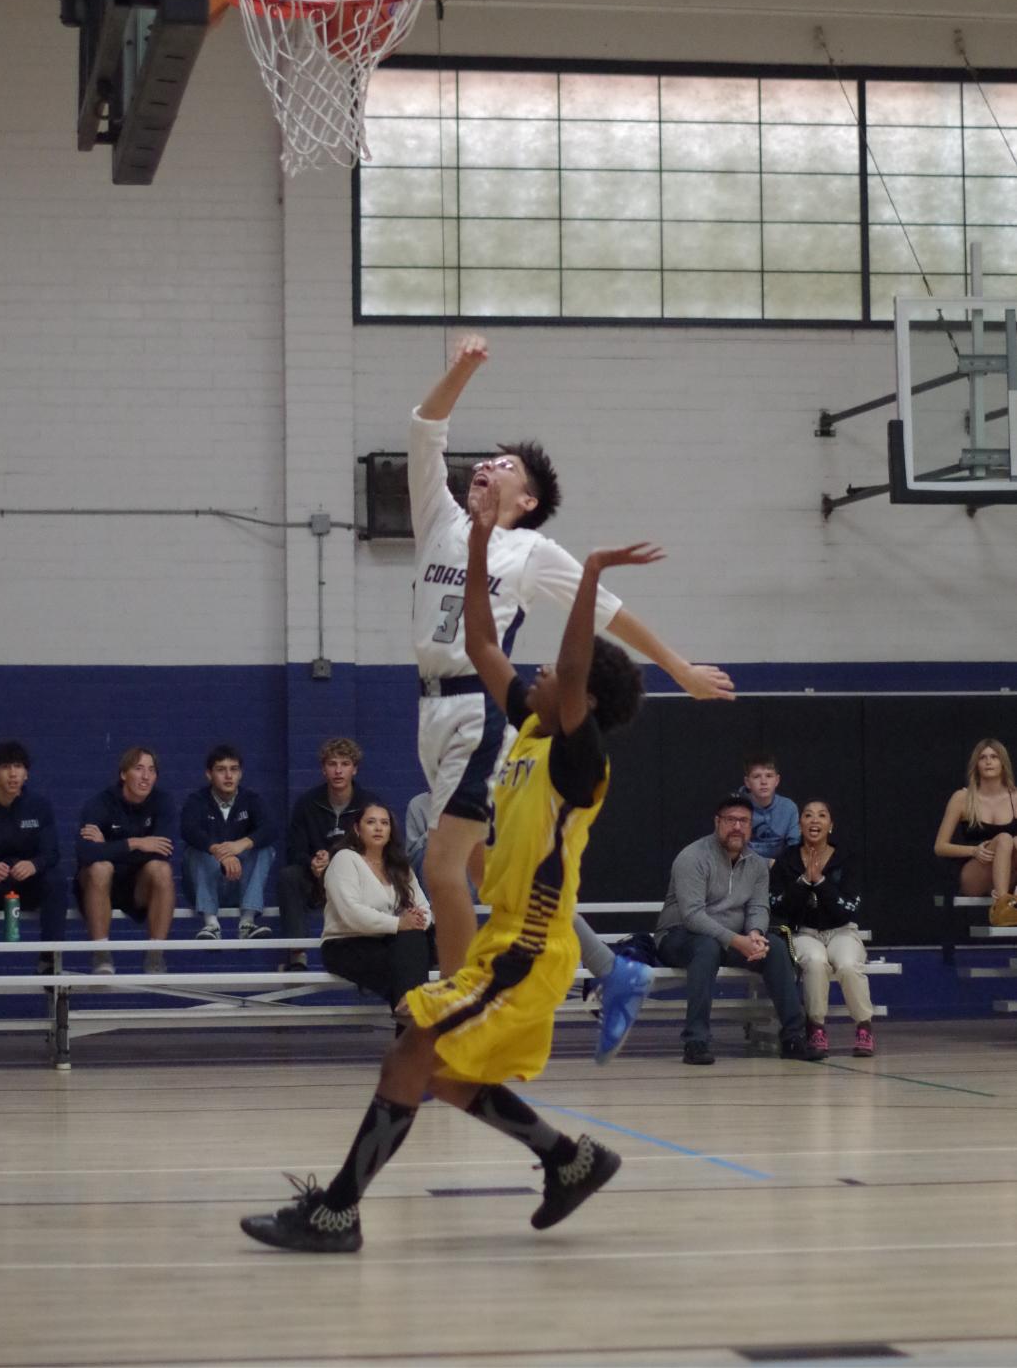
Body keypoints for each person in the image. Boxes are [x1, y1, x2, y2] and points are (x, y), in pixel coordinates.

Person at [239, 481, 658, 1253]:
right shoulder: (530, 727)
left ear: (582, 699)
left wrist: (591, 574)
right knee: (438, 1071)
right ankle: (568, 1159)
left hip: (530, 951)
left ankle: (337, 1212)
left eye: (554, 672)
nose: (536, 672)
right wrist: (478, 543)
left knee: (411, 1051)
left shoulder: (581, 759)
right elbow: (481, 643)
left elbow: (573, 666)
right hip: (506, 944)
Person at [409, 332, 734, 1066]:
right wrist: (459, 370)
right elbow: (426, 427)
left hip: (480, 711)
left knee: (441, 868)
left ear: (527, 500)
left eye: (507, 466)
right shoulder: (443, 521)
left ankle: (454, 1015)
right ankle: (612, 969)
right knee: (494, 876)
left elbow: (610, 615)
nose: (489, 465)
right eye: (488, 459)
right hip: (428, 707)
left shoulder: (533, 552)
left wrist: (679, 667)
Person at [654, 795, 822, 1066]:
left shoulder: (757, 864)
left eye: (744, 821)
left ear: (751, 827)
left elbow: (758, 907)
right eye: (730, 820)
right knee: (706, 947)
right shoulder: (692, 857)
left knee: (775, 948)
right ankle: (696, 1041)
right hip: (679, 936)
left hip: (731, 940)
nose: (737, 827)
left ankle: (794, 1038)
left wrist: (755, 933)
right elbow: (693, 916)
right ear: (717, 822)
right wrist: (737, 941)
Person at [770, 799, 874, 1057]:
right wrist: (805, 881)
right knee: (816, 963)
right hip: (803, 932)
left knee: (847, 965)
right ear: (800, 825)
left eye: (821, 815)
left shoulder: (846, 858)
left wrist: (821, 882)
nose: (814, 820)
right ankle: (815, 1027)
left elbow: (847, 908)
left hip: (842, 930)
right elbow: (779, 906)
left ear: (830, 825)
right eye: (808, 815)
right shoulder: (786, 860)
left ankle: (864, 1026)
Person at [277, 737, 377, 972]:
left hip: (355, 880)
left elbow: (377, 848)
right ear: (324, 770)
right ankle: (297, 955)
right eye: (332, 764)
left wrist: (338, 861)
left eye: (345, 764)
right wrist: (312, 863)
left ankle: (370, 953)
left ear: (355, 769)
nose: (338, 770)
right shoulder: (306, 803)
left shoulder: (369, 804)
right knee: (288, 876)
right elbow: (294, 849)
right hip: (316, 880)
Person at [75, 746, 177, 975]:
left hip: (139, 887)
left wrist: (106, 847)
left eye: (151, 770)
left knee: (161, 869)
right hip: (99, 886)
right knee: (100, 868)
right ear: (123, 774)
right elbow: (85, 853)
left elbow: (162, 851)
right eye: (139, 768)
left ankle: (155, 956)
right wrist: (135, 843)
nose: (146, 776)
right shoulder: (100, 803)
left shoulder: (163, 802)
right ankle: (101, 955)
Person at [321, 804, 432, 1012]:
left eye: (384, 823)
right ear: (357, 829)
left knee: (419, 938)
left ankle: (410, 1012)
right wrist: (399, 923)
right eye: (371, 822)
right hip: (347, 944)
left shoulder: (399, 866)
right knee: (405, 965)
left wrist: (417, 920)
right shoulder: (345, 859)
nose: (378, 828)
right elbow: (351, 913)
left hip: (391, 941)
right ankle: (414, 1012)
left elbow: (423, 907)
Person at [0, 740, 68, 980]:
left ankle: (49, 961)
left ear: (26, 773)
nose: (13, 773)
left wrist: (34, 864)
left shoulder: (39, 806)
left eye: (18, 767)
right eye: (6, 767)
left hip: (26, 885)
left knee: (56, 880)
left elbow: (51, 853)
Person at [180, 745, 277, 940]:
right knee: (195, 851)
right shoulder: (196, 800)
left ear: (240, 774)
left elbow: (270, 829)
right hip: (205, 885)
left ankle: (247, 922)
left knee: (265, 849)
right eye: (221, 769)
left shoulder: (251, 799)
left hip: (240, 884)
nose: (228, 776)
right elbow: (188, 830)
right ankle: (211, 925)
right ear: (209, 774)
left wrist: (241, 844)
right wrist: (218, 850)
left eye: (234, 769)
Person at [933, 738, 1017, 922]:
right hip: (976, 873)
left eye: (994, 757)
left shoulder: (1015, 797)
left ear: (1003, 763)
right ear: (976, 764)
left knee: (1013, 841)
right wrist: (974, 850)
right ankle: (1002, 907)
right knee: (1004, 839)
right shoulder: (962, 798)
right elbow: (940, 847)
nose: (988, 762)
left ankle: (1008, 901)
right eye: (982, 757)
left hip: (1010, 873)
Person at [739, 752, 800, 864]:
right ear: (747, 782)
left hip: (780, 868)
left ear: (777, 780)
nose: (763, 782)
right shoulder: (736, 807)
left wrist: (781, 866)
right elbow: (731, 849)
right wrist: (767, 863)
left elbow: (794, 846)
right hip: (744, 867)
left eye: (769, 776)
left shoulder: (789, 807)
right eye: (757, 776)